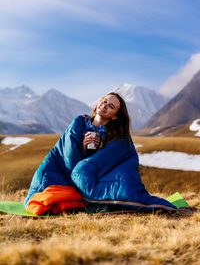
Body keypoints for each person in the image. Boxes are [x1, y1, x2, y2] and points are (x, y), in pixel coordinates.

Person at [24, 92, 177, 215]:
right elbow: (66, 152)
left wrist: (99, 149)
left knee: (101, 181)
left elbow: (109, 159)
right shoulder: (79, 122)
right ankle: (81, 199)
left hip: (89, 177)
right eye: (104, 101)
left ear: (115, 115)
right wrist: (82, 148)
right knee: (44, 176)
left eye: (111, 106)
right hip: (64, 171)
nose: (104, 106)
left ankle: (85, 199)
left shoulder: (115, 135)